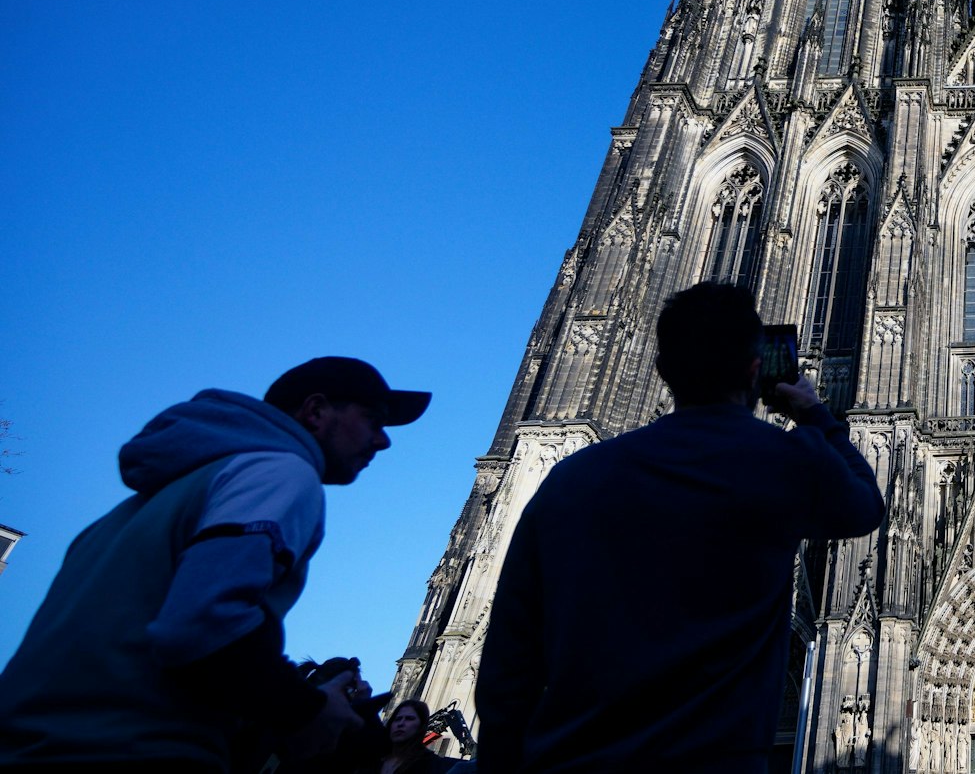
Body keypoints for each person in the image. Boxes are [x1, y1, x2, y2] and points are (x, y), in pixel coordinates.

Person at [476, 281, 887, 773]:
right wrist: (813, 414)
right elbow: (866, 504)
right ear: (756, 371)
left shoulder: (569, 479)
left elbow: (506, 668)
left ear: (661, 370)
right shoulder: (783, 462)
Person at [0, 357, 430, 772]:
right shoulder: (282, 473)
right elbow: (202, 624)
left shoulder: (149, 502)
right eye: (373, 419)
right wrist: (308, 709)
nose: (383, 440)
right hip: (132, 747)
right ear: (316, 410)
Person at [380, 699, 458, 774]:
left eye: (409, 719)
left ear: (421, 726)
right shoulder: (374, 759)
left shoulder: (431, 764)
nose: (401, 723)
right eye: (397, 719)